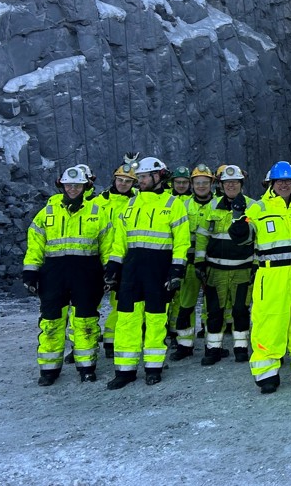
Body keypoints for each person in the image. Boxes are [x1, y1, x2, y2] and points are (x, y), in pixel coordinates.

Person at [230, 161, 291, 394]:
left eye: (288, 181)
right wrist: (237, 219)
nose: (284, 185)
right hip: (272, 273)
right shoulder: (259, 208)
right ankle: (267, 375)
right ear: (271, 183)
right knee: (270, 323)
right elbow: (242, 238)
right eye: (279, 181)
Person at [105, 156, 191, 389]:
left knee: (155, 320)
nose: (139, 181)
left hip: (158, 269)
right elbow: (119, 242)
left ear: (158, 177)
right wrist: (112, 267)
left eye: (143, 177)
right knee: (126, 320)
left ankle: (153, 368)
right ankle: (125, 371)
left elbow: (182, 243)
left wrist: (176, 270)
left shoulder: (174, 205)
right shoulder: (130, 204)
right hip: (132, 271)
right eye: (139, 177)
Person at [23, 165, 113, 385]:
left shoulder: (97, 212)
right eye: (68, 185)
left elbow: (108, 246)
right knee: (51, 322)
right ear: (61, 185)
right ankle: (49, 370)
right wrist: (30, 272)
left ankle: (86, 368)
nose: (73, 189)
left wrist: (110, 272)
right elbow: (35, 245)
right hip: (53, 274)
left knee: (85, 322)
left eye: (77, 185)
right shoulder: (47, 212)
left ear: (86, 186)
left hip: (87, 274)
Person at [195, 164, 255, 365]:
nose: (230, 186)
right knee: (215, 311)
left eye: (234, 182)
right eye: (227, 183)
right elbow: (203, 237)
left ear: (241, 184)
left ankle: (240, 348)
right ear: (220, 185)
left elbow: (259, 239)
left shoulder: (252, 207)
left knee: (240, 310)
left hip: (242, 269)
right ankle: (213, 350)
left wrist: (257, 264)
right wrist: (199, 262)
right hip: (216, 270)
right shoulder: (211, 207)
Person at [170, 164, 216, 360]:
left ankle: (213, 346)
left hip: (214, 262)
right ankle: (184, 345)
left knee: (213, 306)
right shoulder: (182, 205)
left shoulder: (219, 204)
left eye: (205, 182)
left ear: (211, 184)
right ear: (192, 184)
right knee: (185, 305)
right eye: (198, 183)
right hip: (189, 263)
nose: (201, 186)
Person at [95, 159, 137, 357]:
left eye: (128, 181)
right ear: (114, 179)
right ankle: (80, 344)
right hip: (97, 259)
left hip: (124, 260)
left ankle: (111, 341)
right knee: (88, 304)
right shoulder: (98, 202)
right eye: (120, 180)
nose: (123, 184)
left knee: (118, 302)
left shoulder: (138, 201)